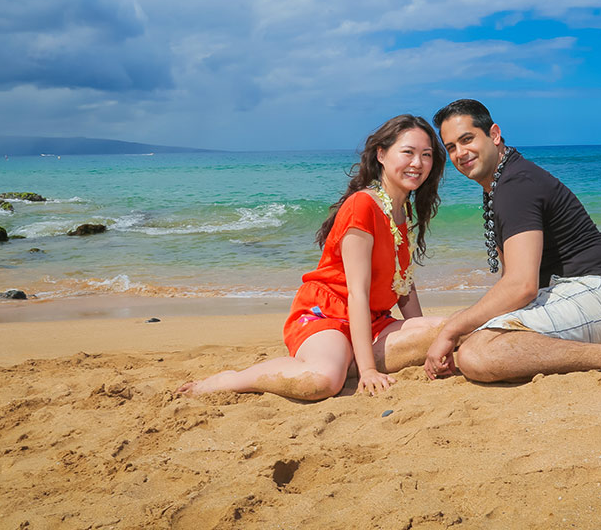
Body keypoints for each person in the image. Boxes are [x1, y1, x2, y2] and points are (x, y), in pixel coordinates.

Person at [179, 114, 447, 400]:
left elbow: (404, 284)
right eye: (408, 152)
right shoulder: (362, 206)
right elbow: (356, 293)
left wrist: (421, 337)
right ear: (381, 154)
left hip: (374, 321)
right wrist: (368, 370)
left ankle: (349, 360)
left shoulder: (402, 210)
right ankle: (232, 380)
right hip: (326, 316)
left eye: (426, 155)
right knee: (323, 382)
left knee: (446, 330)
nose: (418, 163)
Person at [424, 99, 601, 383]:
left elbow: (522, 286)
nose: (460, 153)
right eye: (451, 147)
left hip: (599, 296)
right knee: (466, 326)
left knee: (476, 354)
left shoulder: (515, 184)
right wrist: (460, 326)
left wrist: (450, 331)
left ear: (494, 135)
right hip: (575, 296)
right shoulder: (501, 182)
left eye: (467, 139)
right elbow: (513, 281)